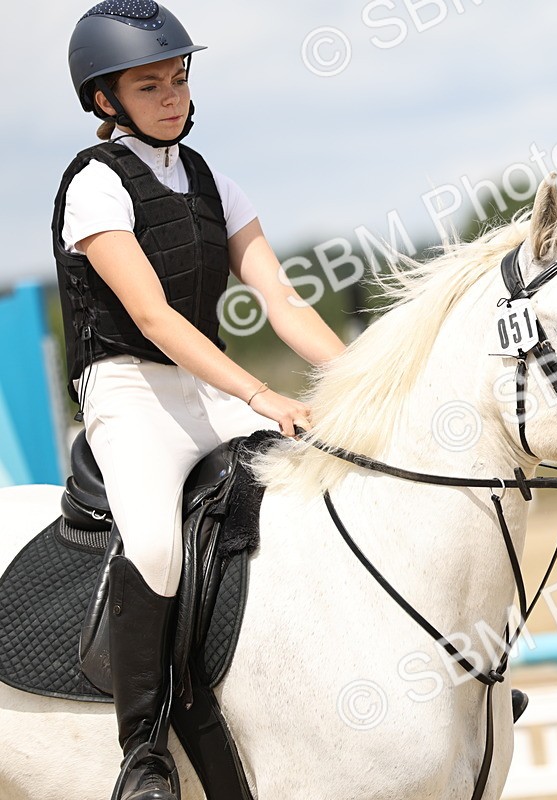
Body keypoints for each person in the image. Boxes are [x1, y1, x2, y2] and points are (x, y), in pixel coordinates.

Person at [56, 3, 346, 798]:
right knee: (153, 546)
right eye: (149, 84)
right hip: (127, 392)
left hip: (202, 386)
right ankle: (142, 754)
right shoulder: (94, 186)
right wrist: (261, 393)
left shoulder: (214, 178)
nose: (172, 95)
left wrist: (360, 382)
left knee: (335, 472)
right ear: (105, 101)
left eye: (178, 77)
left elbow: (281, 299)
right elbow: (150, 317)